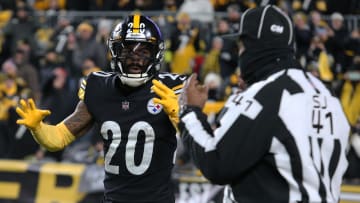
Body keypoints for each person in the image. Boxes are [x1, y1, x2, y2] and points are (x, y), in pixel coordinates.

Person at [177, 5, 350, 203]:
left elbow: (215, 162)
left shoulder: (268, 94)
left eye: (241, 46)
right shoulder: (328, 95)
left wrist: (190, 112)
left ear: (253, 46)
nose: (239, 54)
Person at [15, 14, 187, 203]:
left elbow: (196, 144)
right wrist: (39, 129)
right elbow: (59, 137)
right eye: (127, 51)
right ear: (114, 52)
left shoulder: (173, 89)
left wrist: (180, 114)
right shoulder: (98, 87)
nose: (135, 60)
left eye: (144, 52)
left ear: (156, 53)